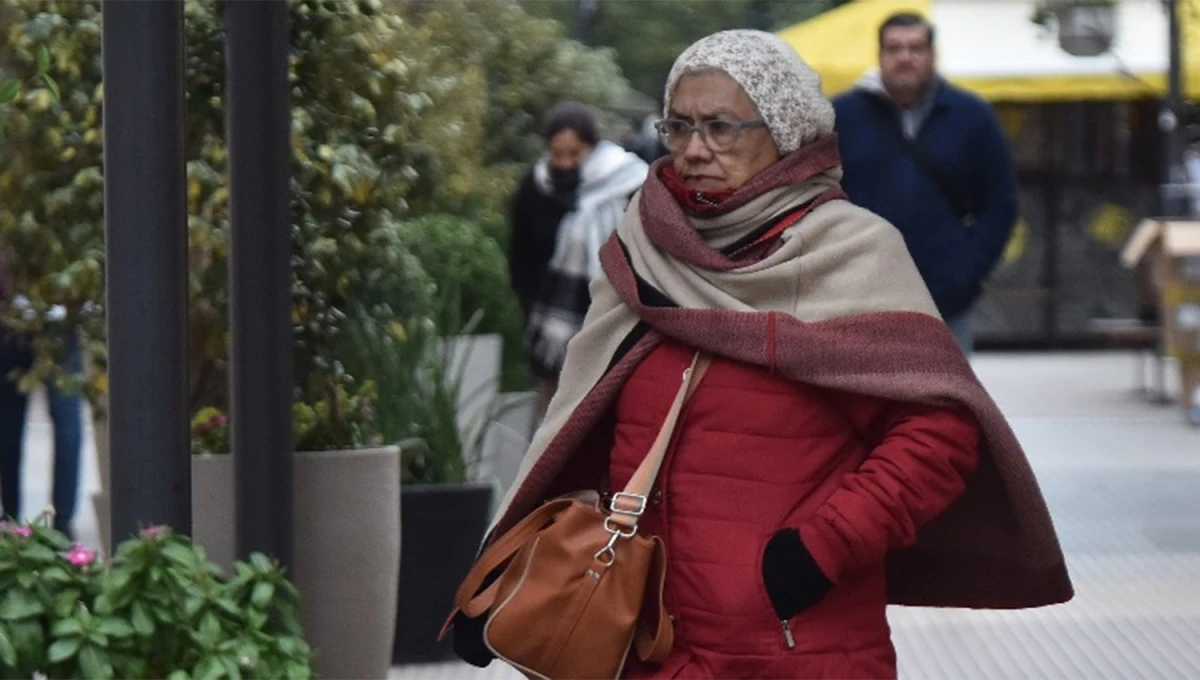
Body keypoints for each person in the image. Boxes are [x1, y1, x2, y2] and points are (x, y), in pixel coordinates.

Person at [451, 30, 1071, 679]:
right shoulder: (642, 247)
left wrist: (819, 550)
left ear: (784, 130)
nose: (693, 149)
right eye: (679, 125)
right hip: (649, 644)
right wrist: (509, 571)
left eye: (721, 127)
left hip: (795, 648)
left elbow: (941, 435)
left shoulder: (850, 254)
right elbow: (577, 428)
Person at [832, 12, 1019, 354]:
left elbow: (1000, 202)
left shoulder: (972, 116)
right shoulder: (841, 116)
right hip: (858, 296)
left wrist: (966, 270)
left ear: (933, 55)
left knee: (943, 403)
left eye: (916, 48)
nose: (905, 57)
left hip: (946, 301)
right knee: (865, 402)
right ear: (880, 56)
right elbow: (816, 193)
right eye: (895, 48)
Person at [508, 102, 649, 417]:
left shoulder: (629, 181)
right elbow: (521, 257)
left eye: (575, 154)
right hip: (554, 332)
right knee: (554, 422)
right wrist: (534, 310)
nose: (565, 164)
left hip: (615, 325)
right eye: (557, 155)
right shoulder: (535, 187)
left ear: (592, 147)